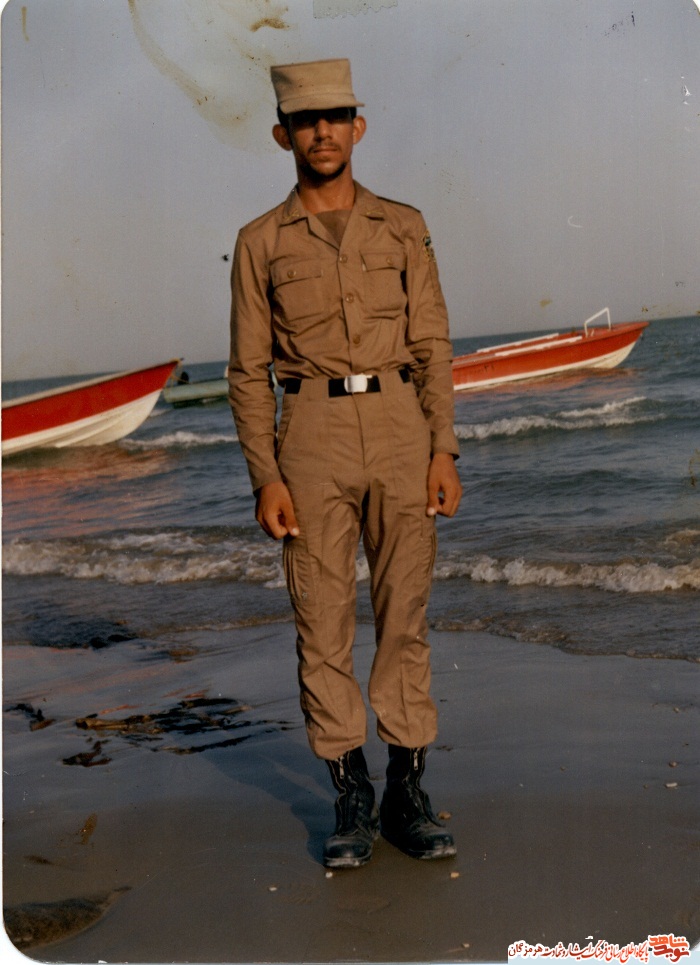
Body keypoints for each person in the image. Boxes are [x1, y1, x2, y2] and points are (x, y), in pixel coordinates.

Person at [227, 58, 462, 869]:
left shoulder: (403, 225)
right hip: (311, 437)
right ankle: (351, 795)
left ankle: (407, 791)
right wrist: (266, 475)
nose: (321, 132)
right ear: (282, 134)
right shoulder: (260, 242)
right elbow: (246, 371)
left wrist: (442, 447)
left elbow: (432, 345)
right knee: (321, 621)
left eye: (335, 117)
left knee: (405, 615)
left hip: (400, 427)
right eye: (306, 120)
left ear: (358, 127)